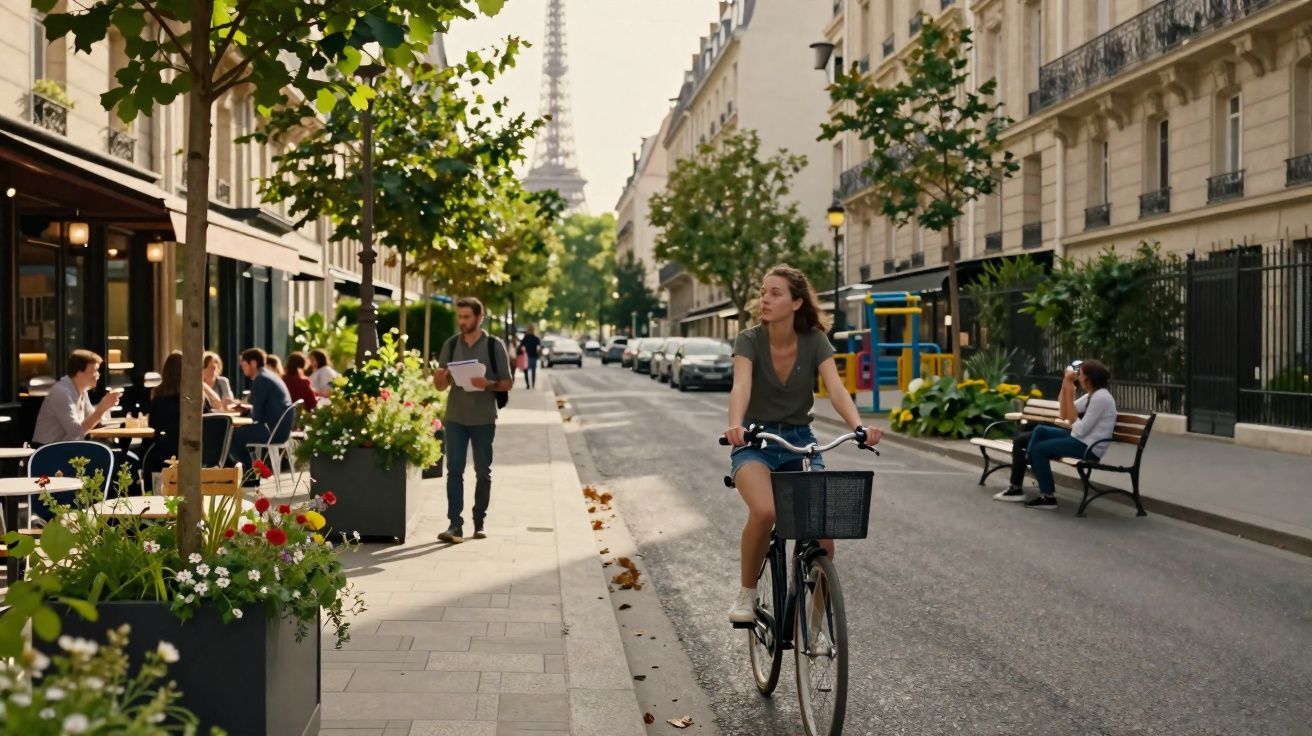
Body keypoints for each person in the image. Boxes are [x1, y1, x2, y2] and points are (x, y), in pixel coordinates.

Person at [723, 265, 882, 625]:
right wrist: (735, 424)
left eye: (775, 292)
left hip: (799, 442)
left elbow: (836, 389)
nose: (765, 298)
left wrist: (859, 427)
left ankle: (815, 624)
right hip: (756, 440)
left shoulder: (814, 341)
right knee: (765, 512)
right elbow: (741, 386)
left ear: (796, 302)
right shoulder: (749, 339)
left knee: (824, 539)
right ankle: (746, 594)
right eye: (763, 291)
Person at [432, 297, 512, 543]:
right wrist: (440, 377)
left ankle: (479, 522)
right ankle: (455, 525)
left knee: (482, 471)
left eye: (467, 317)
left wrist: (487, 383)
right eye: (460, 317)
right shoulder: (451, 344)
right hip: (455, 417)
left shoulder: (493, 346)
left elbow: (507, 383)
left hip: (483, 418)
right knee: (454, 471)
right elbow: (440, 386)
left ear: (480, 317)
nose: (462, 321)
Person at [1022, 359, 1117, 510]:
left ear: (1087, 378)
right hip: (1081, 439)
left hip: (1089, 447)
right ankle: (1030, 460)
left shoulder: (1101, 398)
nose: (1078, 376)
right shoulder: (1092, 395)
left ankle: (1048, 497)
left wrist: (1070, 394)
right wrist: (1066, 387)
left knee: (1039, 449)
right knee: (1040, 430)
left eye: (1081, 374)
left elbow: (1080, 429)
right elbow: (1063, 412)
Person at [230, 348, 293, 482]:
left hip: (272, 431)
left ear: (253, 363)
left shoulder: (261, 379)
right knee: (239, 434)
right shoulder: (269, 376)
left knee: (231, 437)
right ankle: (253, 471)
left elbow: (256, 416)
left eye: (244, 365)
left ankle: (250, 476)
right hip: (279, 429)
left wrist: (241, 418)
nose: (242, 368)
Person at [32, 349, 120, 445]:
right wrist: (101, 410)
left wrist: (105, 407)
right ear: (79, 372)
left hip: (68, 448)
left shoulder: (82, 391)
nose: (98, 375)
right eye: (94, 371)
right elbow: (76, 432)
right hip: (48, 451)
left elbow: (92, 422)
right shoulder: (61, 392)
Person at [282, 352, 318, 416]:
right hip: (298, 419)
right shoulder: (303, 382)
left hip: (282, 417)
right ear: (303, 366)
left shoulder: (281, 380)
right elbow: (312, 403)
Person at [520, 325, 541, 390]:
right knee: (533, 371)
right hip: (534, 356)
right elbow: (538, 348)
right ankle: (533, 384)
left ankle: (528, 385)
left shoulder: (525, 338)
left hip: (526, 356)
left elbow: (521, 346)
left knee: (526, 371)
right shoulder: (536, 338)